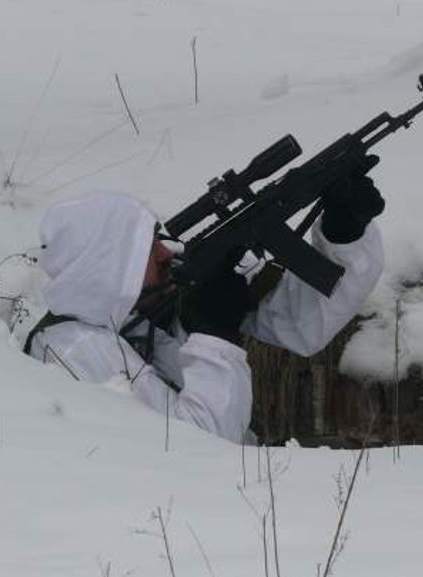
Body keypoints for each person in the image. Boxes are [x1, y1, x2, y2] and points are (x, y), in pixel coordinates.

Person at [24, 173, 385, 443]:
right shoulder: (76, 351)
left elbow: (300, 326)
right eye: (148, 249)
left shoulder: (138, 308)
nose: (167, 252)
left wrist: (345, 234)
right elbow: (201, 447)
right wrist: (214, 337)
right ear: (113, 263)